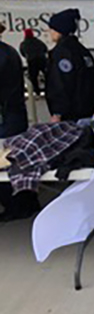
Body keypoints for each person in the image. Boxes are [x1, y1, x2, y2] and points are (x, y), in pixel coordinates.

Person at [0, 36, 37, 221]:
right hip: (13, 113)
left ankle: (15, 205)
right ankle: (27, 200)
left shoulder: (3, 54)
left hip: (6, 116)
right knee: (18, 159)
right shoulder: (9, 51)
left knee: (6, 162)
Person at [45, 9, 94, 123]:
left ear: (59, 30)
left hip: (71, 114)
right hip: (88, 110)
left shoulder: (61, 53)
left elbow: (60, 83)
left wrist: (57, 112)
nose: (50, 32)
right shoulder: (82, 50)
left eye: (52, 29)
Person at [19, 28, 48, 96]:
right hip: (42, 59)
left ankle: (37, 92)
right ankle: (48, 88)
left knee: (33, 77)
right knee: (47, 74)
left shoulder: (24, 43)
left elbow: (22, 52)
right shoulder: (38, 41)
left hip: (32, 61)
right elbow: (45, 49)